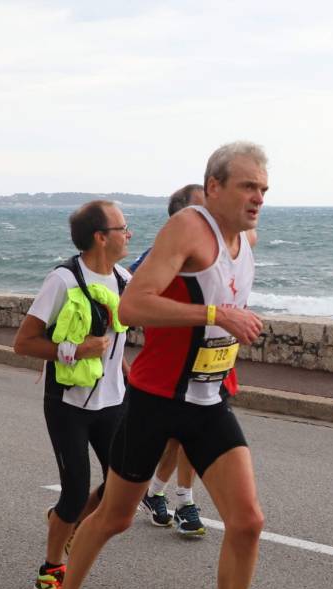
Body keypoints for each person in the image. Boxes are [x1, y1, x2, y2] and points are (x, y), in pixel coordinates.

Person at [40, 142, 276, 589]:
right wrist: (216, 314)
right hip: (153, 399)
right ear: (214, 186)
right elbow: (132, 307)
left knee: (248, 522)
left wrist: (225, 328)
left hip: (208, 399)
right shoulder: (187, 230)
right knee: (115, 518)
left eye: (264, 189)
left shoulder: (249, 239)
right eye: (248, 187)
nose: (258, 198)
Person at [13, 200, 132, 589]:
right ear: (101, 237)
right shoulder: (62, 281)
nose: (128, 235)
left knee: (125, 482)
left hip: (113, 401)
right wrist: (74, 350)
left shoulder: (123, 279)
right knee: (76, 490)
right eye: (122, 229)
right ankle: (50, 570)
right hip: (69, 404)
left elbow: (119, 341)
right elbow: (23, 343)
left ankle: (66, 522)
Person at [131, 183, 209, 537]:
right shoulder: (156, 257)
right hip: (164, 369)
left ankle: (179, 498)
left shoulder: (215, 257)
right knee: (174, 439)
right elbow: (129, 299)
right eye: (201, 211)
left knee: (187, 437)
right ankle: (156, 494)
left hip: (205, 366)